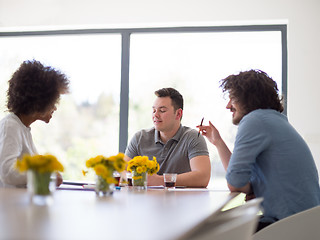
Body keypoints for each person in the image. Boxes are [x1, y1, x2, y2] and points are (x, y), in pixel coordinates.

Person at [198, 69, 320, 231]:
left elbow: (235, 183)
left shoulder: (254, 120)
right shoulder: (275, 120)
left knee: (206, 231)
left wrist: (247, 187)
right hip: (306, 223)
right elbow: (239, 183)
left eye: (232, 98)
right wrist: (218, 142)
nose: (228, 106)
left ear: (248, 98)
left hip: (289, 226)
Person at [0, 60, 70, 188]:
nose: (54, 108)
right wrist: (49, 175)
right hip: (9, 205)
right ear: (39, 101)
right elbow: (8, 172)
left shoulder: (22, 128)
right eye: (54, 101)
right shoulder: (10, 126)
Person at [124, 87, 211, 187]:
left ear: (178, 114)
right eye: (154, 110)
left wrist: (159, 181)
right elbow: (122, 171)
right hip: (145, 200)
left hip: (181, 201)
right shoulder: (140, 138)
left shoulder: (193, 137)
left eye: (162, 110)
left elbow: (203, 177)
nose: (155, 115)